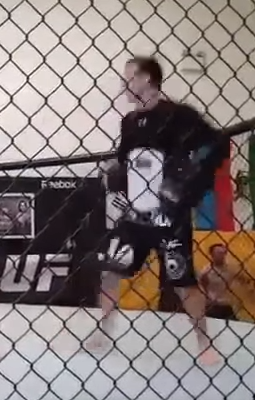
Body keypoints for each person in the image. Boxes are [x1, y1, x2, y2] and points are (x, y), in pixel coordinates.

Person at [87, 56, 226, 365]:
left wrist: (186, 186)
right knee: (111, 269)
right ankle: (104, 328)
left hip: (170, 216)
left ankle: (204, 341)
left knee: (183, 282)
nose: (123, 85)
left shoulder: (179, 115)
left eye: (128, 78)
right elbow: (125, 161)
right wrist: (115, 176)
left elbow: (216, 145)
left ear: (146, 79)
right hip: (136, 214)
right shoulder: (129, 122)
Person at [198, 244, 237, 320]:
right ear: (212, 255)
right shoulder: (206, 272)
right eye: (218, 253)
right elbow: (202, 288)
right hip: (213, 305)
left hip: (226, 304)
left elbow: (243, 279)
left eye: (223, 253)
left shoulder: (231, 269)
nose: (222, 256)